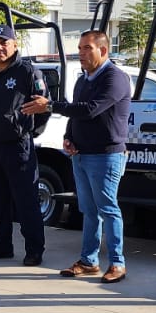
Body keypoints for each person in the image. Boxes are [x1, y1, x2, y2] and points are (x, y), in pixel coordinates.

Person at [25, 30, 131, 283]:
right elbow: (76, 113)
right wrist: (69, 136)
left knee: (108, 209)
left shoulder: (115, 78)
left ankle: (117, 263)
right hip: (81, 155)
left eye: (87, 48)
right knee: (89, 210)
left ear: (102, 50)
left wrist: (50, 105)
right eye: (80, 48)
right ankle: (88, 261)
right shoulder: (83, 80)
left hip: (106, 156)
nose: (81, 53)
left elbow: (91, 110)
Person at [0, 26, 48, 265]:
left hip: (18, 147)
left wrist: (27, 131)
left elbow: (43, 108)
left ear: (14, 45)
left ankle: (34, 249)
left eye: (4, 43)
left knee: (26, 201)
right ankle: (1, 245)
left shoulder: (28, 72)